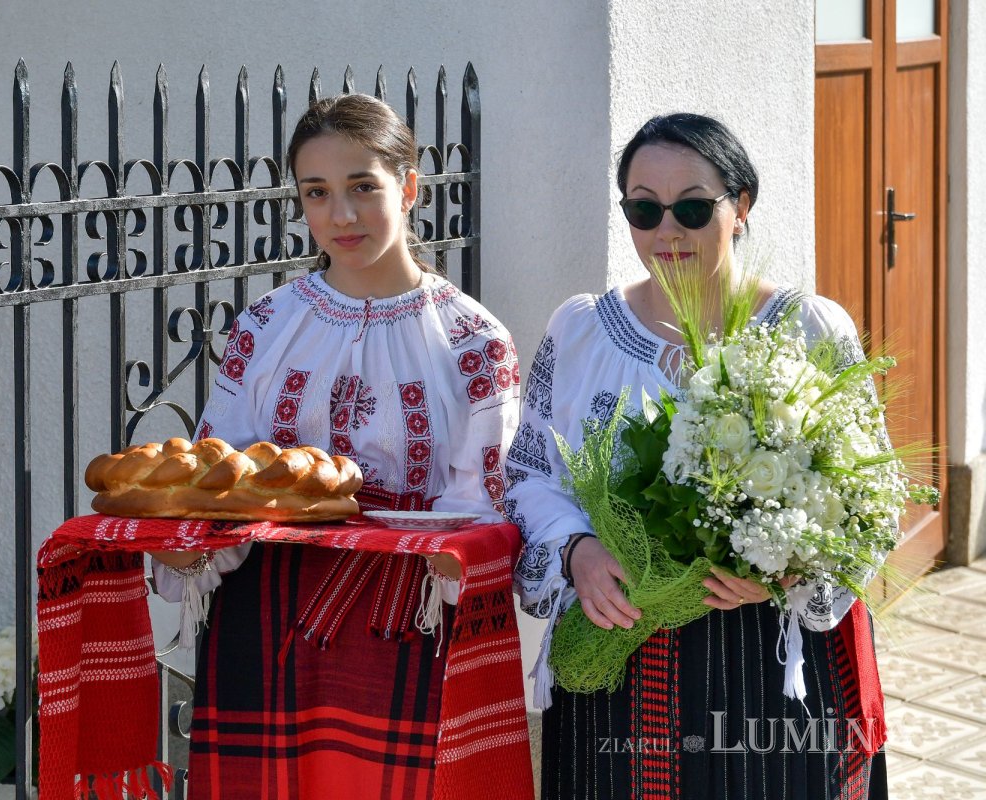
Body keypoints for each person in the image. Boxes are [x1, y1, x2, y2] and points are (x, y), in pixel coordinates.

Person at [506, 113, 888, 799]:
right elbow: (530, 475)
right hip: (619, 645)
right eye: (644, 210)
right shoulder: (581, 331)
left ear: (740, 206)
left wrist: (791, 570)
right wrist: (576, 552)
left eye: (691, 208)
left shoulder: (810, 328)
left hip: (771, 652)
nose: (668, 231)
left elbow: (872, 491)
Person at [150, 93, 521, 799]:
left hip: (404, 621)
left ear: (409, 188)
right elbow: (215, 474)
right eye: (317, 192)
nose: (341, 215)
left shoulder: (474, 341)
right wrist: (185, 547)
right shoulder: (266, 325)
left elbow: (487, 507)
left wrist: (451, 560)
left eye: (362, 187)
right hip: (264, 614)